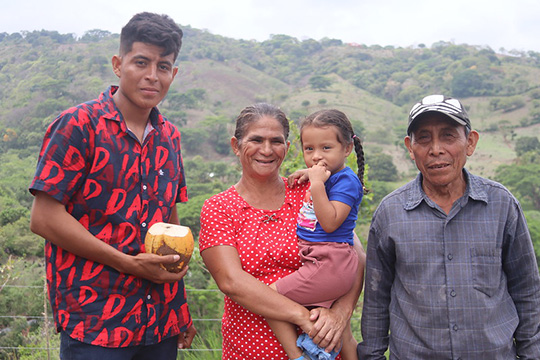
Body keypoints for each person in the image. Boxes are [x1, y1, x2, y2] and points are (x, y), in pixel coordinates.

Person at [29, 12, 196, 360]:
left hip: (159, 320)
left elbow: (170, 225)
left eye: (163, 66)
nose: (152, 76)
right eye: (141, 62)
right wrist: (126, 262)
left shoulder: (170, 137)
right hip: (95, 320)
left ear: (174, 74)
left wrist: (179, 307)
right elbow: (44, 218)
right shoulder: (78, 125)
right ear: (118, 65)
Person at [357, 94, 540, 359]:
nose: (436, 149)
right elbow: (376, 299)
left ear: (470, 142)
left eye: (448, 136)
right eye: (423, 138)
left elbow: (527, 290)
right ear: (410, 147)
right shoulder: (391, 213)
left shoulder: (502, 204)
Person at [199, 103, 366, 360]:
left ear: (287, 149)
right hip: (251, 348)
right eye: (256, 140)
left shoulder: (310, 191)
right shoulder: (219, 209)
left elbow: (354, 253)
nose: (266, 150)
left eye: (276, 141)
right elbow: (232, 282)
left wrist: (340, 314)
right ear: (235, 145)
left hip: (324, 345)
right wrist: (302, 317)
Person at [266, 109, 366, 360]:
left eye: (326, 148)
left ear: (347, 149)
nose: (316, 157)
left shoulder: (347, 182)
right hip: (323, 260)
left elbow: (330, 222)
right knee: (338, 331)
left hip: (330, 262)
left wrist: (317, 183)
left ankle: (297, 356)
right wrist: (309, 174)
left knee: (269, 298)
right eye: (309, 149)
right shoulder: (329, 175)